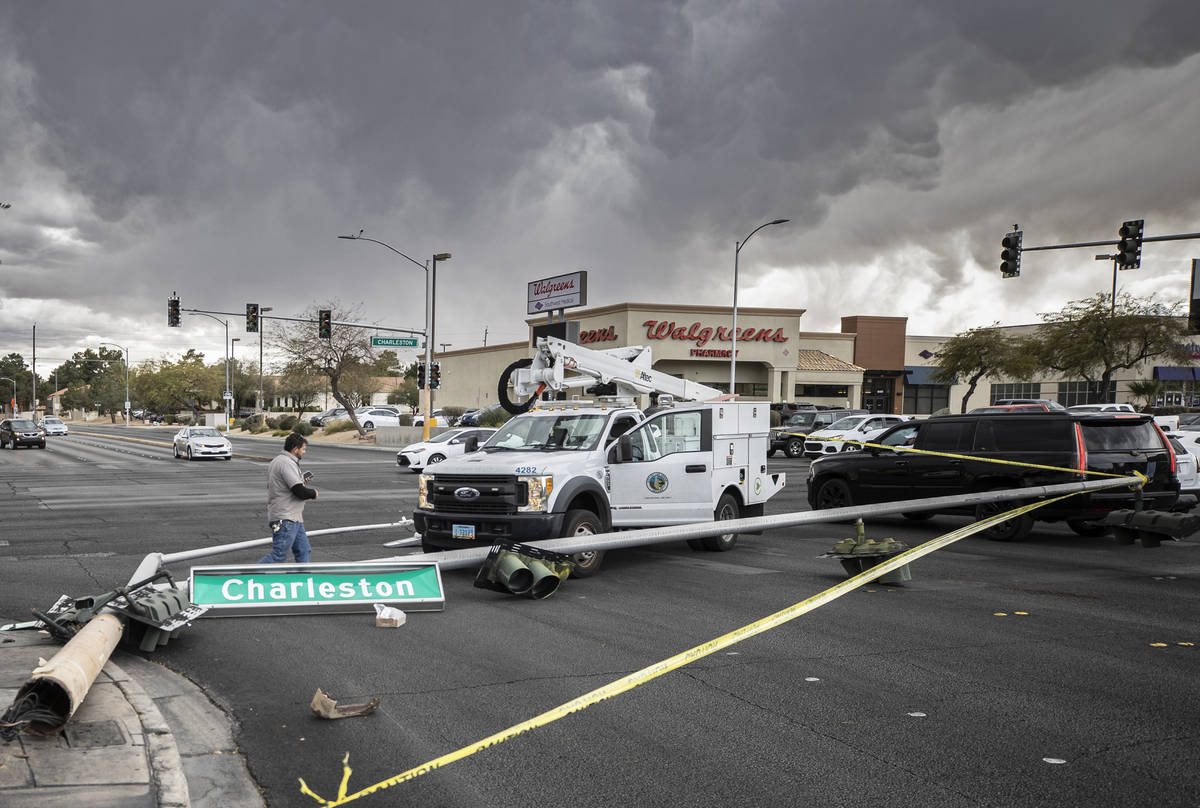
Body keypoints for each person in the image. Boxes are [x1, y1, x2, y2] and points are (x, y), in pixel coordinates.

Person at [259, 432, 318, 564]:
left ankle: (303, 580)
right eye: (303, 449)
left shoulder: (279, 461)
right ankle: (247, 579)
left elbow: (287, 486)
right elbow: (299, 491)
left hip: (294, 517)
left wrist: (301, 481)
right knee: (278, 555)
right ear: (295, 449)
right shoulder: (286, 463)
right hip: (286, 518)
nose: (304, 452)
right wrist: (313, 493)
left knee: (303, 550)